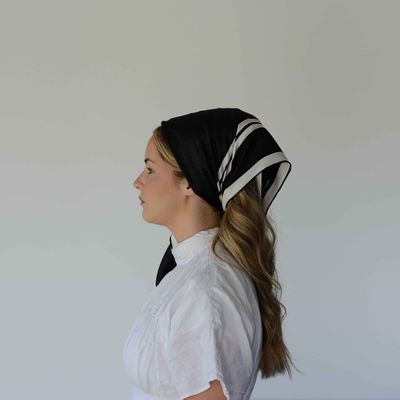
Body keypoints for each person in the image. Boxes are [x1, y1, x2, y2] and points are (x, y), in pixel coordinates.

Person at [124, 108, 300, 400]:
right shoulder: (191, 274)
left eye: (150, 169)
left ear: (189, 180)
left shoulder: (207, 289)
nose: (138, 181)